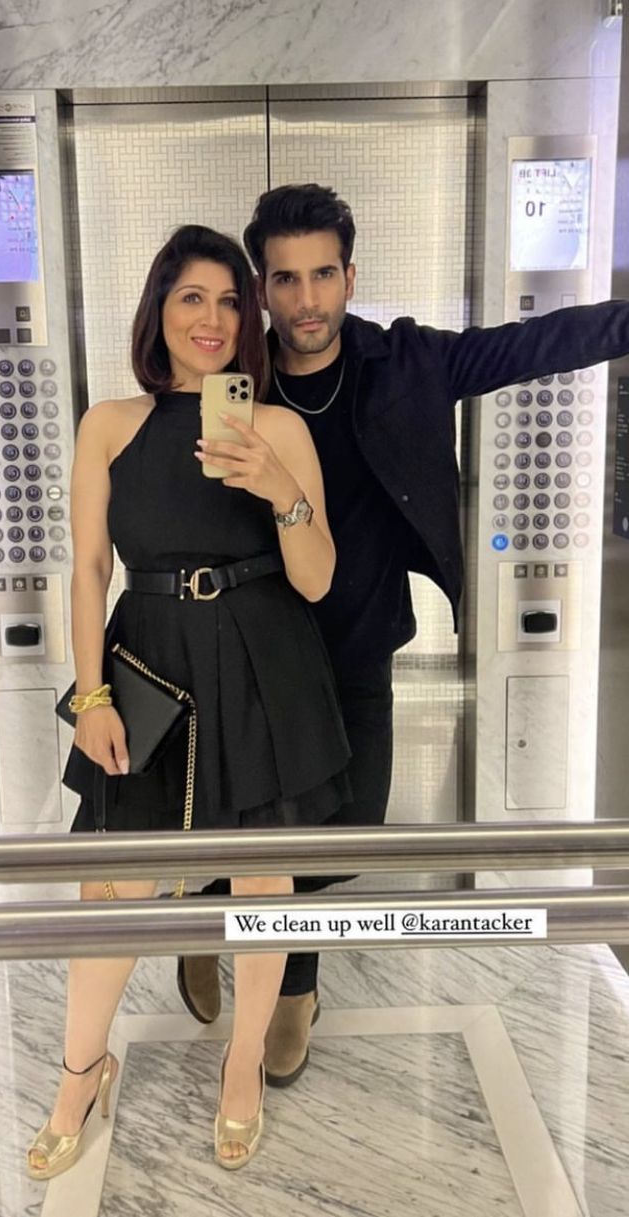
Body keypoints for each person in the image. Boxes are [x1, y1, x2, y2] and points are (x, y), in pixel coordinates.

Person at [176, 182, 629, 1086]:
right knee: (288, 838)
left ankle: (214, 905)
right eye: (284, 279)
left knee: (347, 834)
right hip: (261, 648)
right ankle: (294, 987)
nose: (306, 300)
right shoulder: (235, 381)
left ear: (350, 274)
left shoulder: (408, 363)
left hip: (360, 638)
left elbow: (530, 344)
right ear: (261, 288)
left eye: (323, 275)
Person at [26, 223, 351, 1178]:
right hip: (149, 662)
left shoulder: (280, 428)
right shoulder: (110, 424)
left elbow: (319, 579)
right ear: (159, 311)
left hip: (263, 658)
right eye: (189, 298)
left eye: (226, 300)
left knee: (260, 881)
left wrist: (280, 487)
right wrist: (89, 694)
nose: (210, 319)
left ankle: (242, 1063)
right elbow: (87, 569)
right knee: (114, 885)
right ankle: (80, 1070)